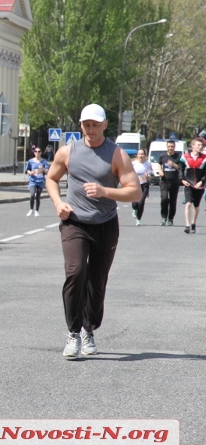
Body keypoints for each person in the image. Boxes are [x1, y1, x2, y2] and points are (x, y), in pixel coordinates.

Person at [46, 104, 140, 359]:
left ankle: (89, 330)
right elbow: (51, 178)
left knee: (97, 281)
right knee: (76, 272)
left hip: (106, 225)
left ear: (105, 125)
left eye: (96, 124)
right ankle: (73, 333)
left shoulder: (117, 154)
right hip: (74, 222)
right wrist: (58, 203)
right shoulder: (68, 152)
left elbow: (135, 191)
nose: (91, 129)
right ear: (81, 125)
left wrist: (105, 191)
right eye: (86, 124)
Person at [179, 137, 206, 234]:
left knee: (196, 205)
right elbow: (180, 169)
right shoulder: (184, 157)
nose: (201, 146)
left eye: (201, 145)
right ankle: (187, 225)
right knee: (188, 203)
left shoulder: (204, 158)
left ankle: (193, 222)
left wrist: (202, 182)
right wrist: (182, 179)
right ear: (193, 146)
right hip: (188, 183)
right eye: (198, 145)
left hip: (199, 185)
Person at [157, 140, 182, 226]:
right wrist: (160, 171)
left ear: (174, 147)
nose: (170, 148)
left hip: (174, 181)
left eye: (172, 146)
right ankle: (164, 217)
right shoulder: (162, 156)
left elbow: (180, 168)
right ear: (166, 146)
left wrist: (173, 164)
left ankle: (170, 218)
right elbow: (159, 164)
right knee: (164, 199)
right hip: (164, 181)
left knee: (172, 201)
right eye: (169, 146)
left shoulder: (178, 156)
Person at [25, 146, 50, 216]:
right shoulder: (31, 161)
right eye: (36, 151)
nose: (37, 153)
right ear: (34, 152)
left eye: (39, 151)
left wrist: (43, 168)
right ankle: (31, 209)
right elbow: (27, 170)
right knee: (32, 194)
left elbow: (47, 172)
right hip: (33, 180)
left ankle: (36, 211)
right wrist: (30, 172)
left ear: (41, 153)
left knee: (38, 196)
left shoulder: (44, 161)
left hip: (41, 180)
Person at [131, 148, 152, 226]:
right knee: (135, 204)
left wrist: (148, 176)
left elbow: (150, 177)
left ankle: (138, 219)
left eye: (142, 154)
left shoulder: (148, 164)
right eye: (139, 154)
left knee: (141, 202)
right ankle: (134, 209)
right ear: (137, 155)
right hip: (135, 185)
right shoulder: (133, 164)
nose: (141, 155)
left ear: (145, 155)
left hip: (144, 185)